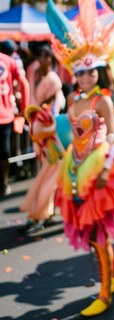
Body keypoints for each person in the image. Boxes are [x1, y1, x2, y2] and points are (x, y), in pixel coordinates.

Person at [45, 0, 114, 317]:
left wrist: (106, 169)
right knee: (88, 232)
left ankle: (104, 293)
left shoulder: (103, 100)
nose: (86, 77)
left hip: (100, 168)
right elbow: (69, 134)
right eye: (81, 73)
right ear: (75, 76)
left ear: (98, 71)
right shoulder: (75, 101)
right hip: (75, 169)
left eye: (90, 72)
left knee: (98, 232)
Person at [19, 45, 66, 233]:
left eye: (45, 55)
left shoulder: (54, 79)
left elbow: (51, 106)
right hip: (35, 127)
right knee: (43, 171)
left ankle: (47, 213)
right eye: (39, 55)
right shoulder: (34, 72)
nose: (41, 58)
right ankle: (45, 212)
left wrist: (38, 117)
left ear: (51, 58)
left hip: (49, 131)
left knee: (51, 174)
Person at [0, 46, 29, 196]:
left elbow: (23, 83)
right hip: (6, 115)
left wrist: (25, 110)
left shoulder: (8, 60)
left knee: (4, 152)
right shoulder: (9, 60)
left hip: (5, 116)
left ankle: (3, 183)